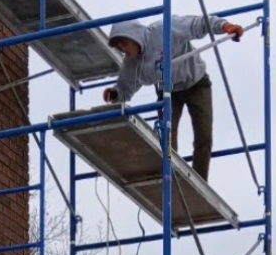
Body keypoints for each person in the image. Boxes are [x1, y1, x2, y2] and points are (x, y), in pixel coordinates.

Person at [103, 14, 244, 184]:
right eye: (118, 47)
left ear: (134, 37)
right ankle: (172, 180)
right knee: (167, 139)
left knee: (204, 136)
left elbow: (197, 24)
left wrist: (224, 26)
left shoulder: (165, 31)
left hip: (195, 83)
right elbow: (125, 88)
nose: (123, 49)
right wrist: (114, 94)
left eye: (124, 44)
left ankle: (199, 182)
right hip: (168, 91)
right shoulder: (131, 64)